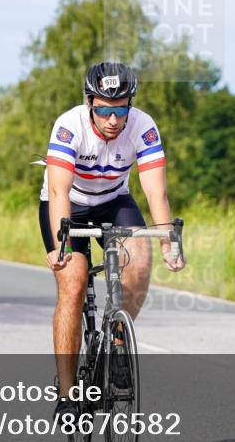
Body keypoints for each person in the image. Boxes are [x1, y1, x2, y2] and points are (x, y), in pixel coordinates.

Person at [39, 62, 186, 421]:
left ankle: (118, 341)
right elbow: (58, 189)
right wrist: (62, 243)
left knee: (140, 261)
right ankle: (68, 391)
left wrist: (168, 241)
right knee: (73, 284)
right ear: (89, 102)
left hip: (115, 200)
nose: (113, 119)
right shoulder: (68, 125)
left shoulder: (143, 126)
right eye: (104, 109)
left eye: (121, 109)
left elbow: (156, 190)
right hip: (68, 203)